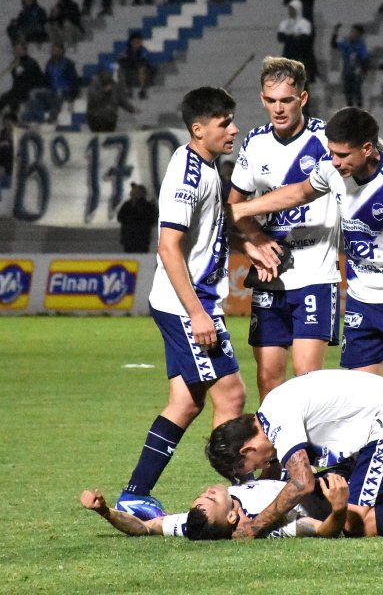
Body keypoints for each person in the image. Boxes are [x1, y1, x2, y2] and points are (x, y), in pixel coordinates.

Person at [229, 106, 383, 389]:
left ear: (366, 149)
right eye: (332, 153)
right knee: (361, 396)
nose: (335, 162)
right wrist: (241, 209)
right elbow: (299, 192)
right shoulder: (330, 168)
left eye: (342, 155)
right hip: (361, 297)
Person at [114, 87, 247, 521]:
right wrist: (197, 313)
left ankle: (136, 493)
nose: (233, 128)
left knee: (186, 403)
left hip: (192, 301)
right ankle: (242, 498)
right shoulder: (188, 175)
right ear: (198, 128)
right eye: (224, 122)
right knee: (231, 395)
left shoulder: (205, 167)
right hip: (187, 304)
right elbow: (168, 246)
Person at [205, 369, 383, 537]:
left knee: (356, 522)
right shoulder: (270, 414)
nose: (255, 472)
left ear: (248, 448)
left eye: (247, 468)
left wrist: (255, 526)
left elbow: (301, 483)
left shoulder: (278, 420)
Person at [226, 56, 340, 399]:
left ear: (302, 99)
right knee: (268, 381)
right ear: (262, 99)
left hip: (315, 275)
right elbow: (233, 209)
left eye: (286, 100)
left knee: (307, 378)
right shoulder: (255, 143)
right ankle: (275, 453)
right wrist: (258, 238)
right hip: (270, 277)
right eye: (271, 101)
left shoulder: (327, 139)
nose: (278, 109)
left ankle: (313, 453)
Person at [80, 474, 348, 540]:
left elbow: (145, 528)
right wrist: (338, 509)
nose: (208, 491)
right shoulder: (266, 524)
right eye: (211, 498)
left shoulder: (195, 523)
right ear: (232, 517)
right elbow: (322, 530)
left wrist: (106, 512)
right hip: (322, 488)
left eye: (202, 496)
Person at [27, 42, 79, 124]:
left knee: (59, 92)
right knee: (33, 92)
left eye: (56, 50)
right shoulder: (49, 64)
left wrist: (73, 93)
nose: (54, 51)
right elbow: (46, 80)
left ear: (62, 51)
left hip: (65, 91)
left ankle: (52, 116)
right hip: (51, 90)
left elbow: (74, 80)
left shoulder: (68, 64)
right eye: (53, 50)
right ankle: (39, 117)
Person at [0, 42, 47, 119]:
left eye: (19, 50)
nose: (17, 52)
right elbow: (15, 79)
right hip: (18, 89)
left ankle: (13, 118)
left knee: (14, 100)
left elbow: (33, 77)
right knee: (4, 97)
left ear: (24, 51)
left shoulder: (30, 62)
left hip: (30, 89)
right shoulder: (15, 63)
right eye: (16, 50)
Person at [277, 0, 317, 85]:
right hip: (288, 54)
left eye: (293, 9)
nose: (291, 12)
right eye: (290, 9)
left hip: (301, 55)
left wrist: (291, 36)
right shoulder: (285, 23)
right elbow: (280, 37)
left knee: (301, 83)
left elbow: (304, 39)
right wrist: (293, 36)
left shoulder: (304, 23)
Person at [331, 23, 369, 108]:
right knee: (347, 92)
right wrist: (335, 32)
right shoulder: (346, 43)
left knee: (357, 91)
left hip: (356, 73)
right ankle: (350, 108)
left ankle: (359, 109)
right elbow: (334, 44)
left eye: (355, 32)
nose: (353, 34)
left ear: (359, 35)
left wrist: (364, 71)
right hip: (347, 72)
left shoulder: (361, 45)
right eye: (352, 32)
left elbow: (365, 59)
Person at [86, 67, 135, 132]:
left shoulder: (115, 85)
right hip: (96, 118)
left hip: (111, 118)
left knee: (108, 134)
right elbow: (93, 98)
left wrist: (131, 109)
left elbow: (121, 99)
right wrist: (104, 91)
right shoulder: (95, 83)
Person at [117, 182, 158, 253]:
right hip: (128, 239)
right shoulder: (127, 205)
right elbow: (120, 217)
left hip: (141, 239)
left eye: (135, 191)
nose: (132, 192)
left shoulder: (147, 206)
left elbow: (152, 220)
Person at [118, 31, 156, 99]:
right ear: (131, 42)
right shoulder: (126, 51)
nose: (136, 43)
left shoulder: (144, 50)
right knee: (120, 70)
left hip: (141, 71)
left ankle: (143, 91)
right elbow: (121, 61)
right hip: (129, 70)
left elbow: (147, 61)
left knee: (143, 69)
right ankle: (128, 90)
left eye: (139, 41)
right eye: (134, 41)